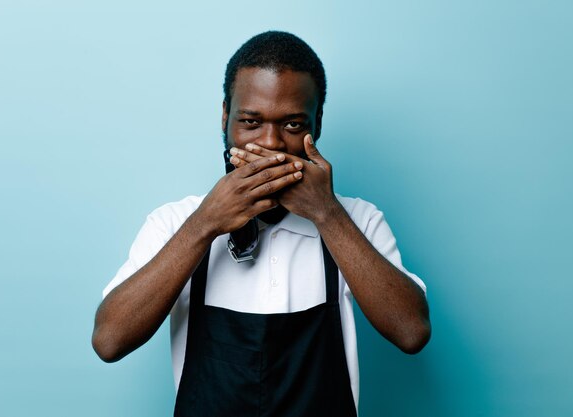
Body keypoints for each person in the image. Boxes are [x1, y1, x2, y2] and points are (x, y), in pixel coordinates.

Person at [92, 31, 431, 416]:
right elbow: (109, 341)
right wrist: (204, 224)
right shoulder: (175, 222)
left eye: (291, 125)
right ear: (226, 118)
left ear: (316, 124)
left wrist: (327, 214)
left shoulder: (356, 219)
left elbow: (411, 333)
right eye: (251, 122)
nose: (270, 143)